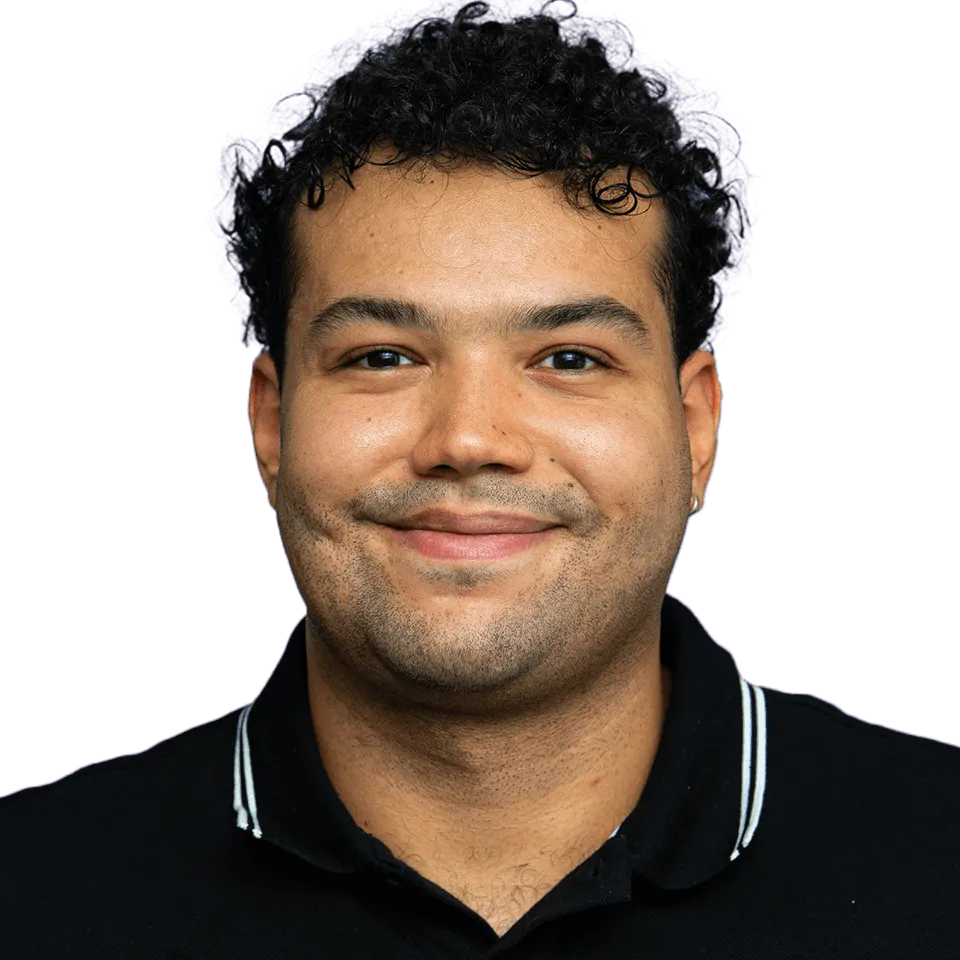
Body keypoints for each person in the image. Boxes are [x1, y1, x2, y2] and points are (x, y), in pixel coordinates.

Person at [2, 2, 956, 957]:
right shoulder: (29, 894)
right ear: (273, 422)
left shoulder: (941, 861)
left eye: (570, 359)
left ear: (696, 425)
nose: (467, 438)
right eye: (383, 357)